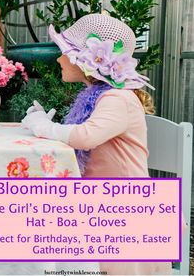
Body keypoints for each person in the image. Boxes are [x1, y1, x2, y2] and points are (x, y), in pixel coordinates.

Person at [22, 14, 172, 275]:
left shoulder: (117, 98)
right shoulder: (99, 97)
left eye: (63, 52)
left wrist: (43, 127)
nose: (58, 59)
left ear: (85, 60)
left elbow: (85, 137)